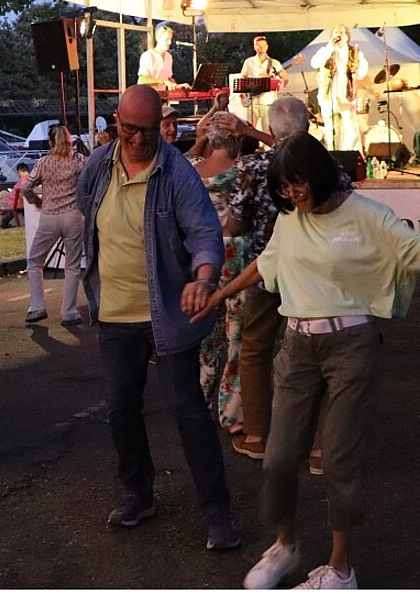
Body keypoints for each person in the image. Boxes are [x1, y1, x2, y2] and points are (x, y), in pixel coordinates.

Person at [192, 134, 420, 590]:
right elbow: (266, 263)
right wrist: (219, 294)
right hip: (298, 347)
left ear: (319, 174)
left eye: (298, 184)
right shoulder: (290, 219)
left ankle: (341, 570)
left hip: (351, 346)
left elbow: (411, 251)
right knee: (278, 458)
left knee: (338, 462)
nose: (293, 194)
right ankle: (285, 546)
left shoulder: (367, 215)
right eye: (284, 187)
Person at [75, 84, 239, 551]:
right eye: (129, 129)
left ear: (159, 126)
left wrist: (203, 278)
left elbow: (205, 233)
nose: (138, 140)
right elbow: (88, 221)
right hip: (115, 313)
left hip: (167, 312)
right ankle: (137, 494)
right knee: (120, 408)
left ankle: (216, 511)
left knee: (188, 411)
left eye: (147, 131)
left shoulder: (176, 173)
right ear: (116, 122)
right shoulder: (98, 166)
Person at [221, 96, 310, 461]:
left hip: (264, 270)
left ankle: (257, 435)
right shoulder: (323, 166)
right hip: (311, 271)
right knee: (315, 354)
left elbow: (237, 222)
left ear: (271, 130)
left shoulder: (253, 167)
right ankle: (317, 445)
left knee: (255, 349)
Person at [188, 118, 247, 439]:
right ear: (236, 140)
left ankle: (199, 399)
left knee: (206, 337)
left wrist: (198, 139)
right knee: (236, 337)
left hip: (203, 261)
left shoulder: (191, 170)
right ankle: (231, 411)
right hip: (237, 261)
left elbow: (179, 159)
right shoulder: (244, 172)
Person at [21, 125, 86, 325]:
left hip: (50, 215)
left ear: (50, 142)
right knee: (72, 266)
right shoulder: (78, 160)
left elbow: (26, 187)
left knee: (35, 262)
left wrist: (36, 201)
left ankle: (38, 306)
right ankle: (69, 312)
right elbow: (88, 182)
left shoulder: (44, 162)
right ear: (70, 141)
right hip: (74, 215)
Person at [310, 25, 367, 152]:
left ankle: (351, 155)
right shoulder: (326, 50)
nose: (339, 35)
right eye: (336, 32)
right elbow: (314, 63)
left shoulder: (355, 52)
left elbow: (363, 68)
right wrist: (330, 46)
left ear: (347, 36)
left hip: (346, 93)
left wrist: (357, 74)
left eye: (342, 32)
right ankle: (333, 155)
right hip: (328, 93)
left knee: (350, 128)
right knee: (331, 129)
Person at [240, 34, 291, 132]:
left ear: (267, 47)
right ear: (255, 47)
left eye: (264, 46)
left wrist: (279, 86)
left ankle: (268, 148)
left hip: (268, 102)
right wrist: (244, 94)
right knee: (250, 130)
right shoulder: (248, 62)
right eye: (259, 46)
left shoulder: (274, 63)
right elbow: (242, 79)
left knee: (267, 131)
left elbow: (285, 79)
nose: (261, 48)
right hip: (252, 102)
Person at [137, 22, 180, 91]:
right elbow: (143, 79)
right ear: (158, 38)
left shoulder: (169, 57)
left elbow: (168, 78)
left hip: (160, 97)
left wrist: (178, 86)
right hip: (145, 96)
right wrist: (163, 81)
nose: (170, 42)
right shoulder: (148, 56)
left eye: (170, 39)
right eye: (167, 39)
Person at [8, 162, 31, 229]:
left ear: (19, 170)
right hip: (24, 201)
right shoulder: (30, 178)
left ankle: (2, 222)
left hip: (18, 202)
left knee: (1, 195)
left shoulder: (23, 179)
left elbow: (20, 191)